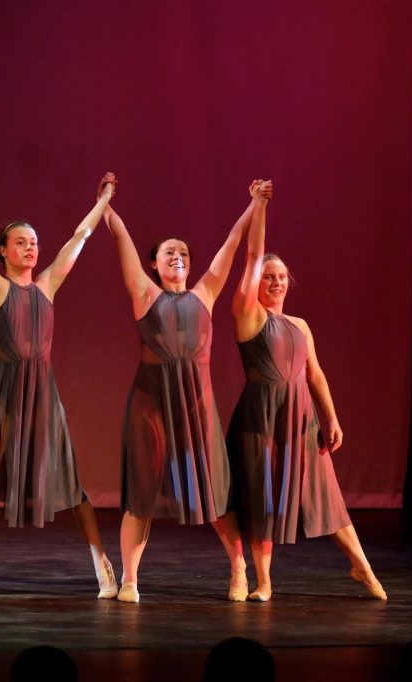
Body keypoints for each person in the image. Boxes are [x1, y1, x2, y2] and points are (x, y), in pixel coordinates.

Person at [0, 152, 118, 603]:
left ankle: (102, 565)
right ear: (2, 251)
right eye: (20, 242)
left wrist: (103, 201)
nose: (30, 248)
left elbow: (79, 237)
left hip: (41, 394)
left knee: (69, 481)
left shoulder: (47, 285)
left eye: (34, 242)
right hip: (0, 392)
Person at [104, 180, 271, 602]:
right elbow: (121, 238)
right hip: (150, 406)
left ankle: (238, 568)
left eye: (183, 253)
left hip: (196, 406)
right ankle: (129, 580)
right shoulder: (144, 293)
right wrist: (105, 204)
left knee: (213, 490)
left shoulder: (205, 293)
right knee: (141, 494)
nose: (178, 257)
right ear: (154, 264)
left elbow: (233, 242)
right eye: (169, 253)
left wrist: (254, 204)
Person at [226, 184, 386, 601]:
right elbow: (253, 255)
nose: (276, 282)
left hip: (301, 418)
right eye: (269, 277)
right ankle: (264, 582)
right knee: (261, 494)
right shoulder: (249, 316)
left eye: (282, 277)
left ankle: (362, 567)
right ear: (256, 283)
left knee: (325, 494)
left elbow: (315, 375)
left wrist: (331, 418)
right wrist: (259, 206)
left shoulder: (300, 326)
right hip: (261, 417)